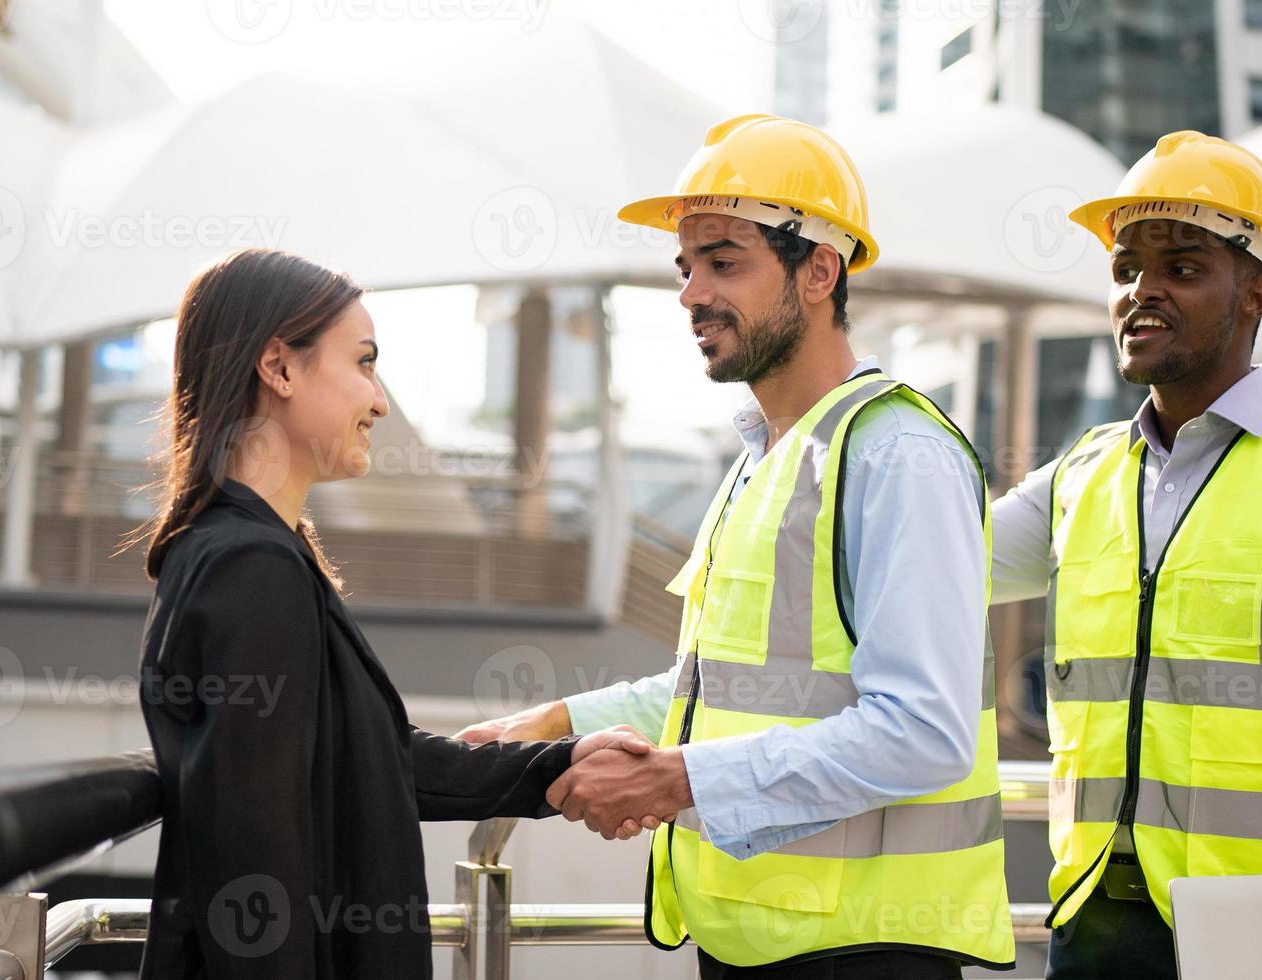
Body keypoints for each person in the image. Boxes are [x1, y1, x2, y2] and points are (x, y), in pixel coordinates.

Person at [460, 115, 1015, 977]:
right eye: (686, 268)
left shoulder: (897, 454)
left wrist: (676, 781)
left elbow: (924, 731)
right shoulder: (769, 454)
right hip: (754, 938)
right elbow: (724, 692)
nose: (690, 293)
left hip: (861, 951)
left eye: (724, 262)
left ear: (818, 270)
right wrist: (565, 723)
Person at [134, 248, 648, 979]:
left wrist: (556, 765)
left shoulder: (244, 553)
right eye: (365, 363)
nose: (378, 401)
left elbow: (375, 762)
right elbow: (247, 847)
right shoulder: (251, 566)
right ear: (278, 368)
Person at [990, 131, 1262, 978]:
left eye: (1180, 269)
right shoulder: (1081, 472)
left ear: (1253, 293)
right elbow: (927, 565)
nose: (1140, 293)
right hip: (1095, 927)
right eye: (1124, 271)